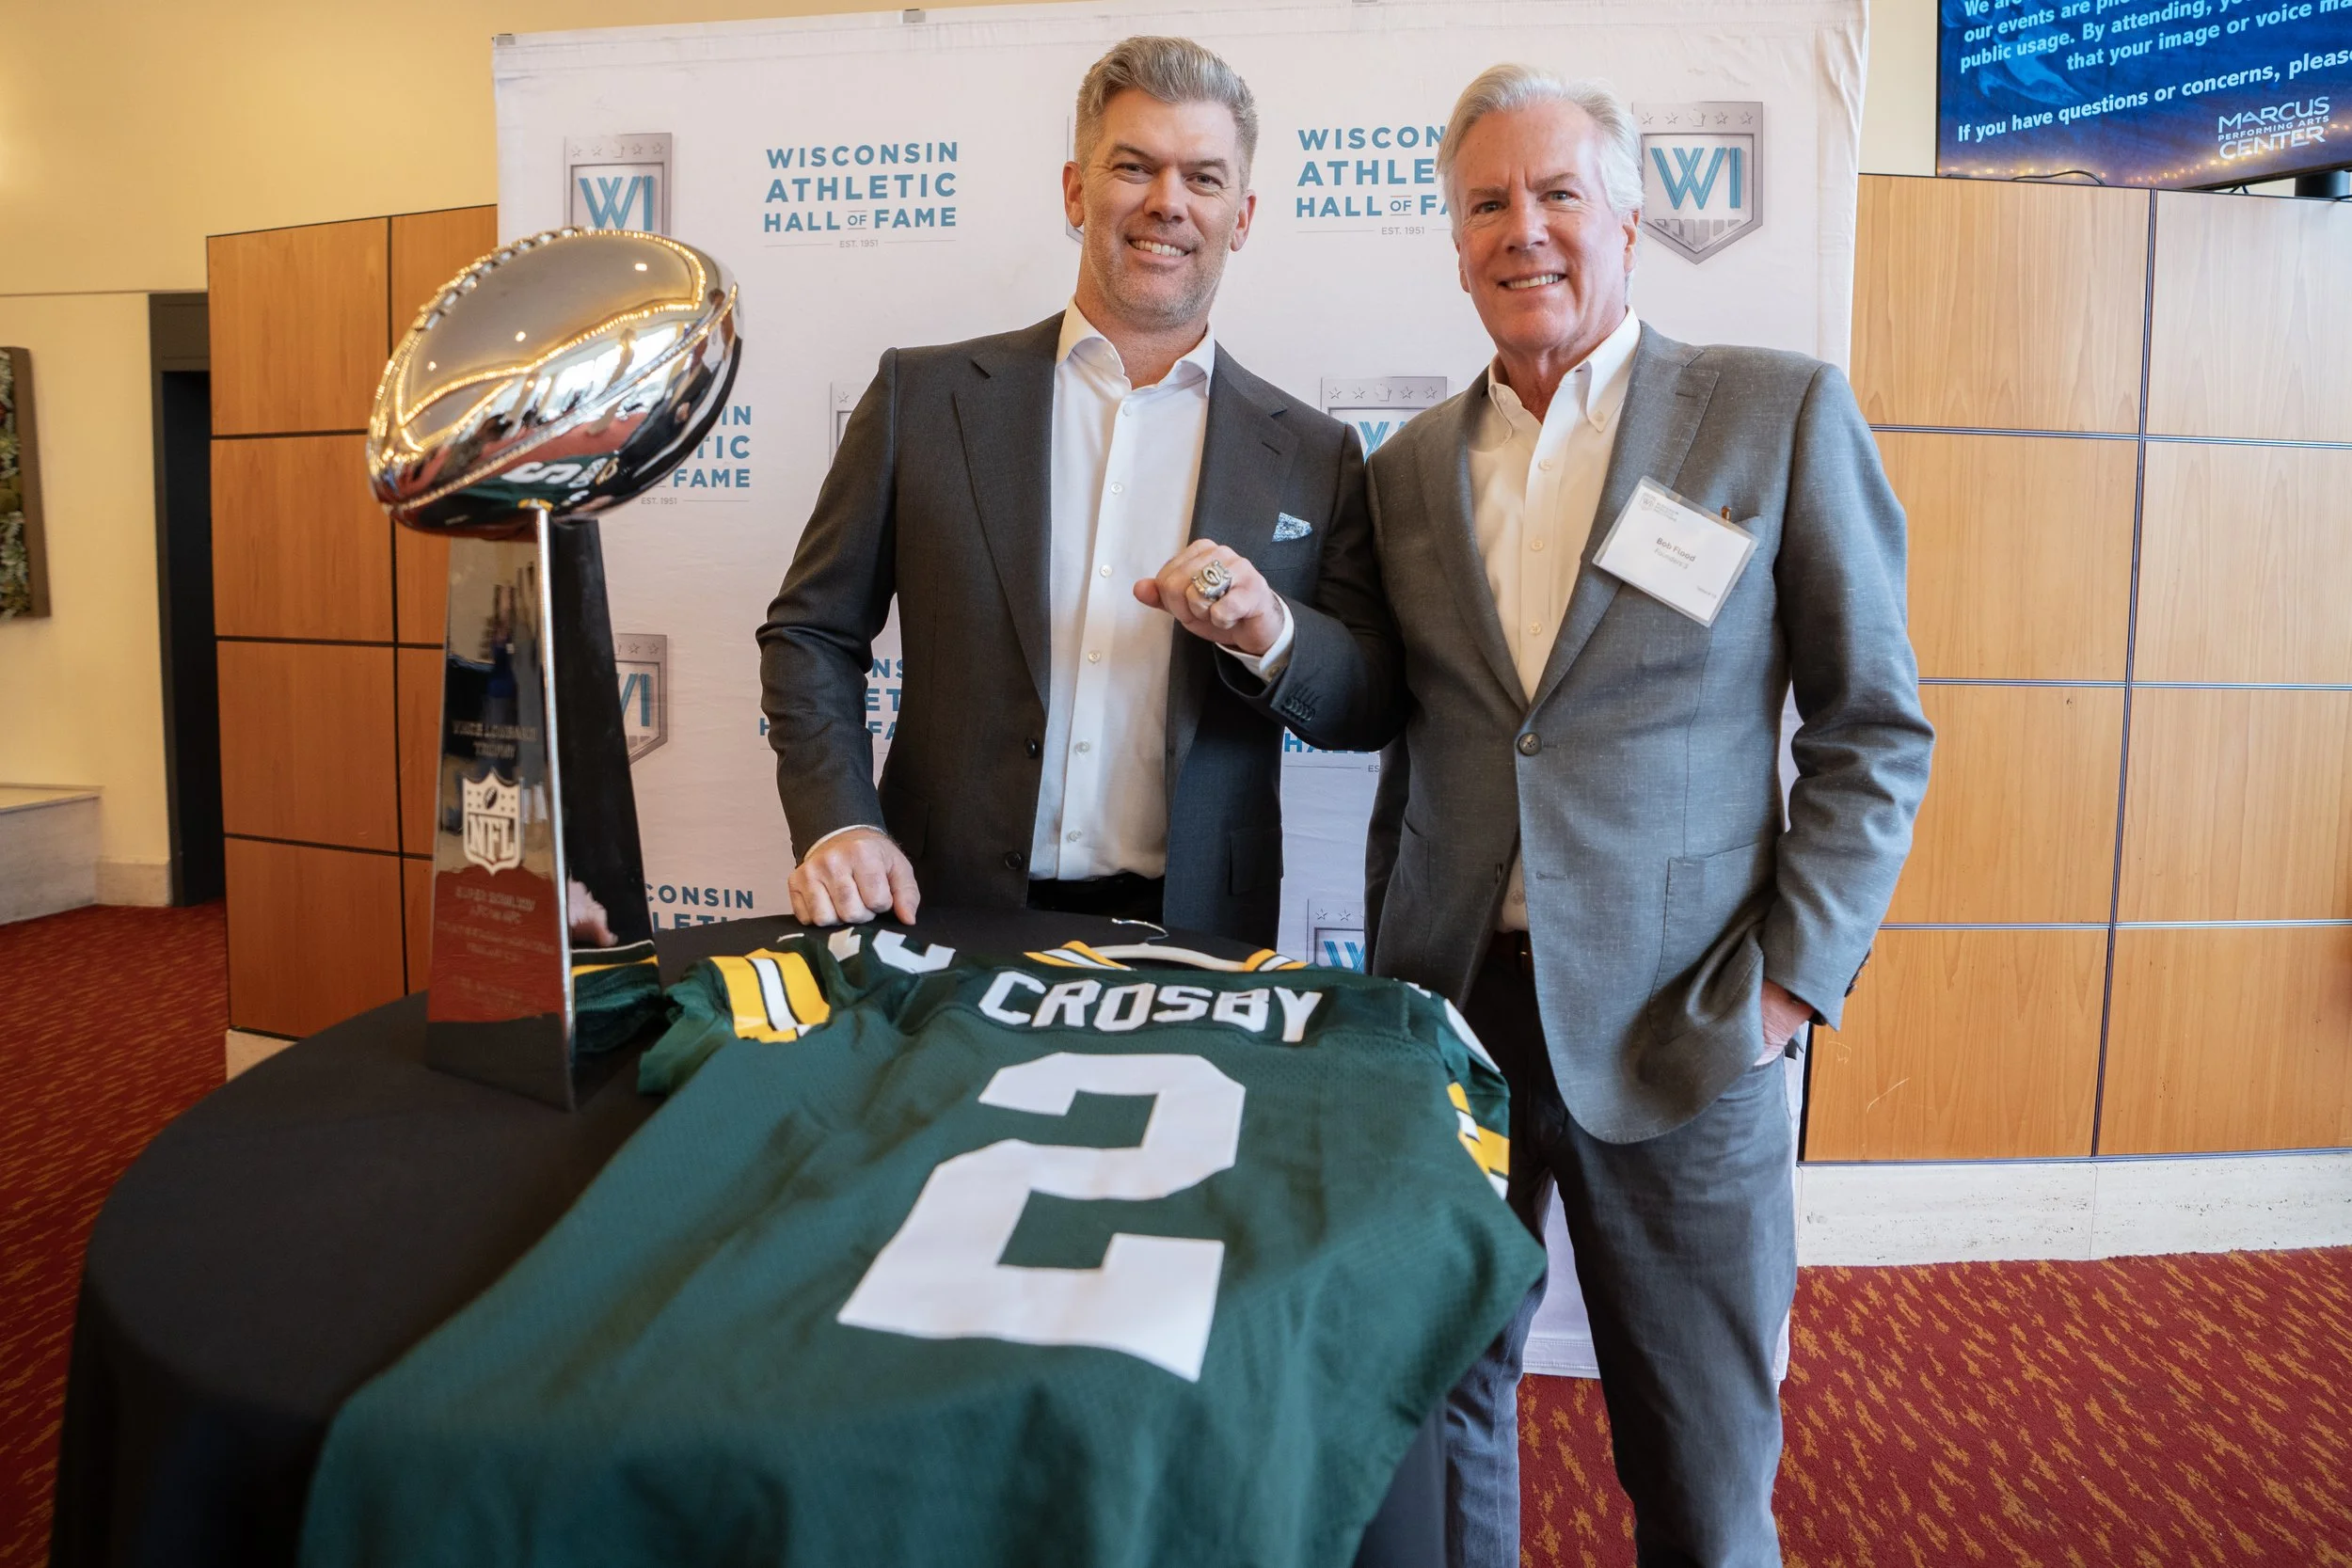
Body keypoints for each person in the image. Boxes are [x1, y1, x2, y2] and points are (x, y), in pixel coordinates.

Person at [1361, 66, 1934, 1568]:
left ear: (1628, 215)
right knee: (1440, 1415)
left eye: (1557, 194)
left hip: (1690, 1020)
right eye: (1486, 202)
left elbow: (1873, 727)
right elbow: (1421, 734)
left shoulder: (1775, 411)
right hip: (1455, 1022)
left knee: (1698, 1461)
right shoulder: (1411, 467)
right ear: (1454, 235)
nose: (1523, 230)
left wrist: (1791, 987)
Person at [759, 35, 1395, 943]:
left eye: (1204, 179)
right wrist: (841, 819)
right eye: (1134, 167)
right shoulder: (923, 398)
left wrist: (1271, 633)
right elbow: (811, 632)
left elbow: (1367, 701)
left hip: (1199, 935)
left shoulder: (1315, 452)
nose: (1168, 203)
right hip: (939, 912)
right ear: (1075, 191)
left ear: (1242, 215)